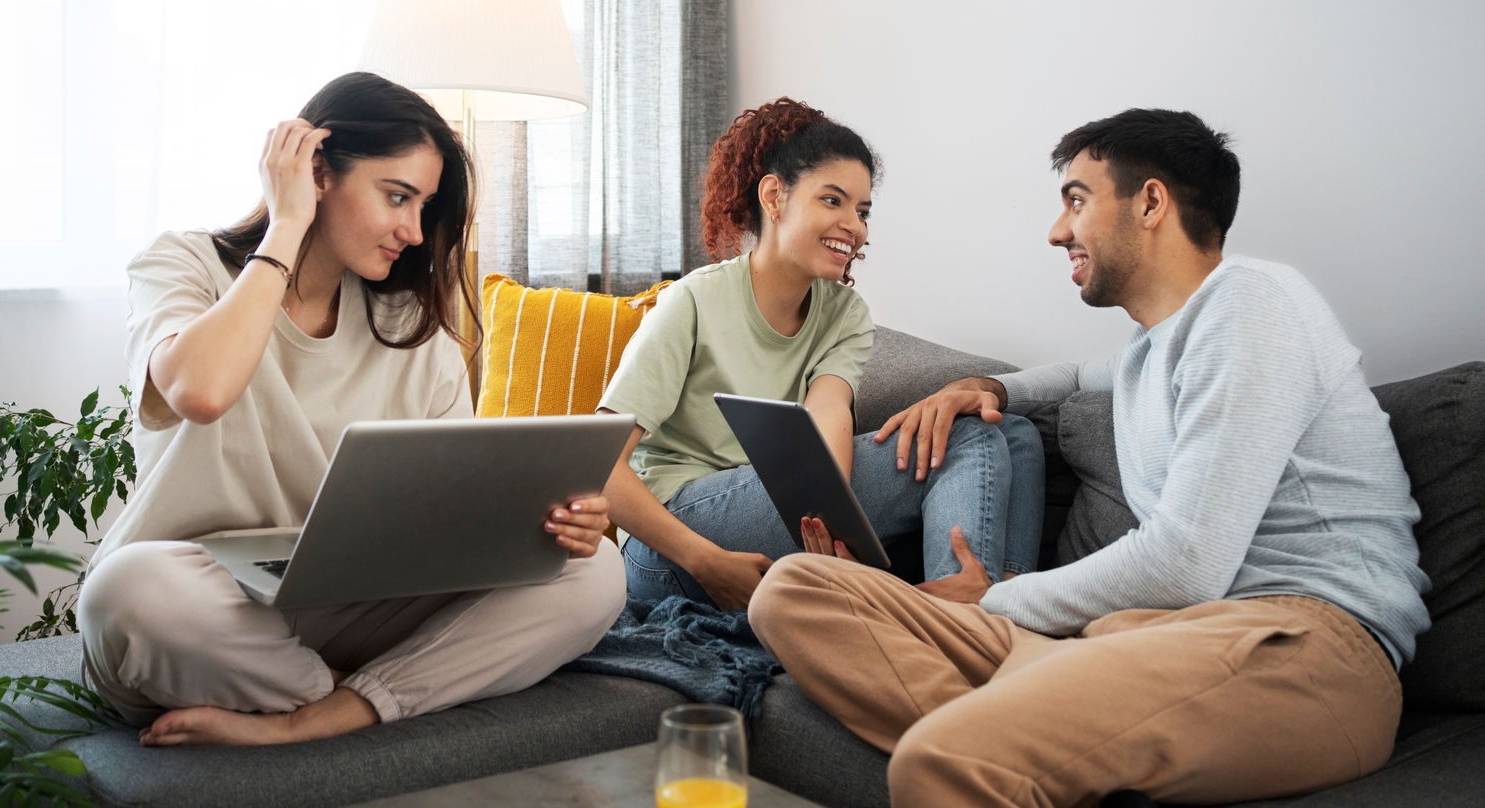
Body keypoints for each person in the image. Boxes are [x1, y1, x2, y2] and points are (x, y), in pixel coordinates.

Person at [748, 108, 1431, 808]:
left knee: (938, 760)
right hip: (1142, 641)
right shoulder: (1151, 347)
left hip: (1302, 651)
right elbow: (1076, 376)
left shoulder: (1252, 305)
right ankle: (1034, 746)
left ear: (1151, 203)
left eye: (1076, 200)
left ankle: (992, 745)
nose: (1056, 231)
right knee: (795, 590)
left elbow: (1189, 563)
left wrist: (997, 599)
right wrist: (984, 388)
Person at [76, 72, 625, 747]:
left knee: (594, 569)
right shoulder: (184, 264)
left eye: (423, 207)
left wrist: (546, 522)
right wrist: (285, 225)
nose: (415, 231)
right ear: (317, 172)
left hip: (345, 603)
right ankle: (371, 688)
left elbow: (452, 518)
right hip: (204, 606)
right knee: (129, 595)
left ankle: (320, 715)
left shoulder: (411, 324)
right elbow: (203, 390)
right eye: (397, 197)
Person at [597, 97, 1045, 610]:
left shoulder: (844, 313)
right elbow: (603, 465)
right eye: (833, 201)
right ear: (774, 196)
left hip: (776, 509)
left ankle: (1006, 600)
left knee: (1014, 431)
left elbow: (828, 412)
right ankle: (959, 622)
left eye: (863, 210)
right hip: (675, 542)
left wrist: (833, 525)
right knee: (969, 436)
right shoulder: (693, 301)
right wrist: (705, 560)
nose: (855, 226)